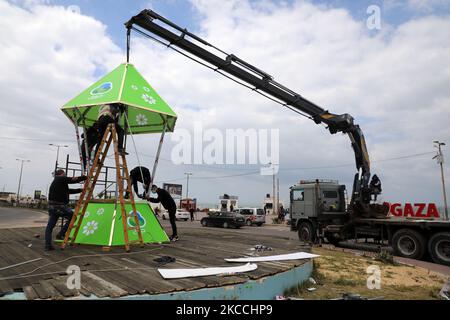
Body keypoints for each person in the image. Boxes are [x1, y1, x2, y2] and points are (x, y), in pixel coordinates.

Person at [45, 170, 87, 251]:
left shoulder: (58, 182)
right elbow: (72, 179)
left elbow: (68, 191)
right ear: (61, 174)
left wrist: (80, 190)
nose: (65, 175)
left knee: (50, 226)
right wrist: (84, 177)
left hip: (52, 207)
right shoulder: (60, 179)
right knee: (72, 216)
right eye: (64, 174)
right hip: (59, 206)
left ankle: (48, 245)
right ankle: (61, 234)